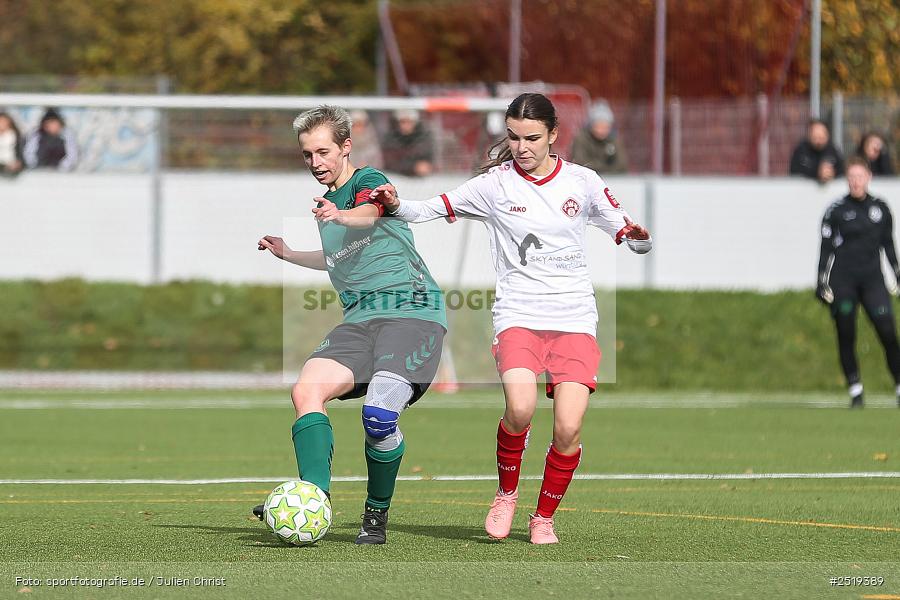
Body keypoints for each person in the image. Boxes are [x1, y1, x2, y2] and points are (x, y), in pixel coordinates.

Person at [337, 92, 652, 544]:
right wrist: (393, 201)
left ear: (553, 136)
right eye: (513, 137)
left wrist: (637, 237)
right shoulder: (495, 184)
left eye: (531, 138)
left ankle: (542, 517)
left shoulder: (582, 181)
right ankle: (506, 494)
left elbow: (624, 228)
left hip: (574, 317)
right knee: (520, 409)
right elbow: (430, 209)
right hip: (518, 314)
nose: (522, 147)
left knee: (568, 426)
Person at [255, 105, 447, 545]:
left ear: (346, 147)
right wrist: (290, 254)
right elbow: (339, 257)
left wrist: (339, 216)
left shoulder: (366, 182)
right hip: (360, 320)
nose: (315, 162)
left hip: (411, 312)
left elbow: (373, 211)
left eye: (323, 151)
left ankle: (375, 517)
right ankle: (314, 499)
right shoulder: (328, 206)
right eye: (307, 155)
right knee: (306, 390)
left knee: (378, 417)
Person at [816, 157, 900, 409]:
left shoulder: (881, 209)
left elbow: (888, 245)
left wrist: (897, 272)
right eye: (851, 177)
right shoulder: (836, 211)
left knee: (887, 332)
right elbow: (825, 248)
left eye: (860, 176)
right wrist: (821, 280)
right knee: (846, 333)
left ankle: (898, 385)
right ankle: (856, 390)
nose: (855, 181)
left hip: (873, 281)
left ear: (868, 178)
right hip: (843, 281)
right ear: (847, 180)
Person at [569, 99, 628, 175]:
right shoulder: (581, 139)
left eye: (605, 126)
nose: (602, 130)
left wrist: (601, 168)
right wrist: (605, 167)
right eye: (598, 126)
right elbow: (580, 163)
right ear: (591, 125)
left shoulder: (614, 140)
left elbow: (622, 164)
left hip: (612, 179)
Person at [382, 109, 434, 177]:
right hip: (396, 179)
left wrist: (426, 165)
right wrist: (413, 167)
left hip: (421, 180)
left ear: (415, 123)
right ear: (397, 123)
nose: (406, 125)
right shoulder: (390, 139)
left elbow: (430, 160)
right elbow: (389, 164)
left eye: (409, 122)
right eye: (403, 122)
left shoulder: (424, 138)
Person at [789, 119, 844, 184]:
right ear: (809, 135)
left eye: (821, 137)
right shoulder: (801, 151)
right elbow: (794, 173)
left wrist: (832, 174)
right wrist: (817, 174)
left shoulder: (833, 151)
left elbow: (842, 172)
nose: (819, 141)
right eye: (815, 137)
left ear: (827, 135)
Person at [0, 112, 25, 177]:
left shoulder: (15, 135)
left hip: (12, 164)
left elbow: (20, 152)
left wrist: (18, 162)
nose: (2, 124)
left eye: (4, 122)